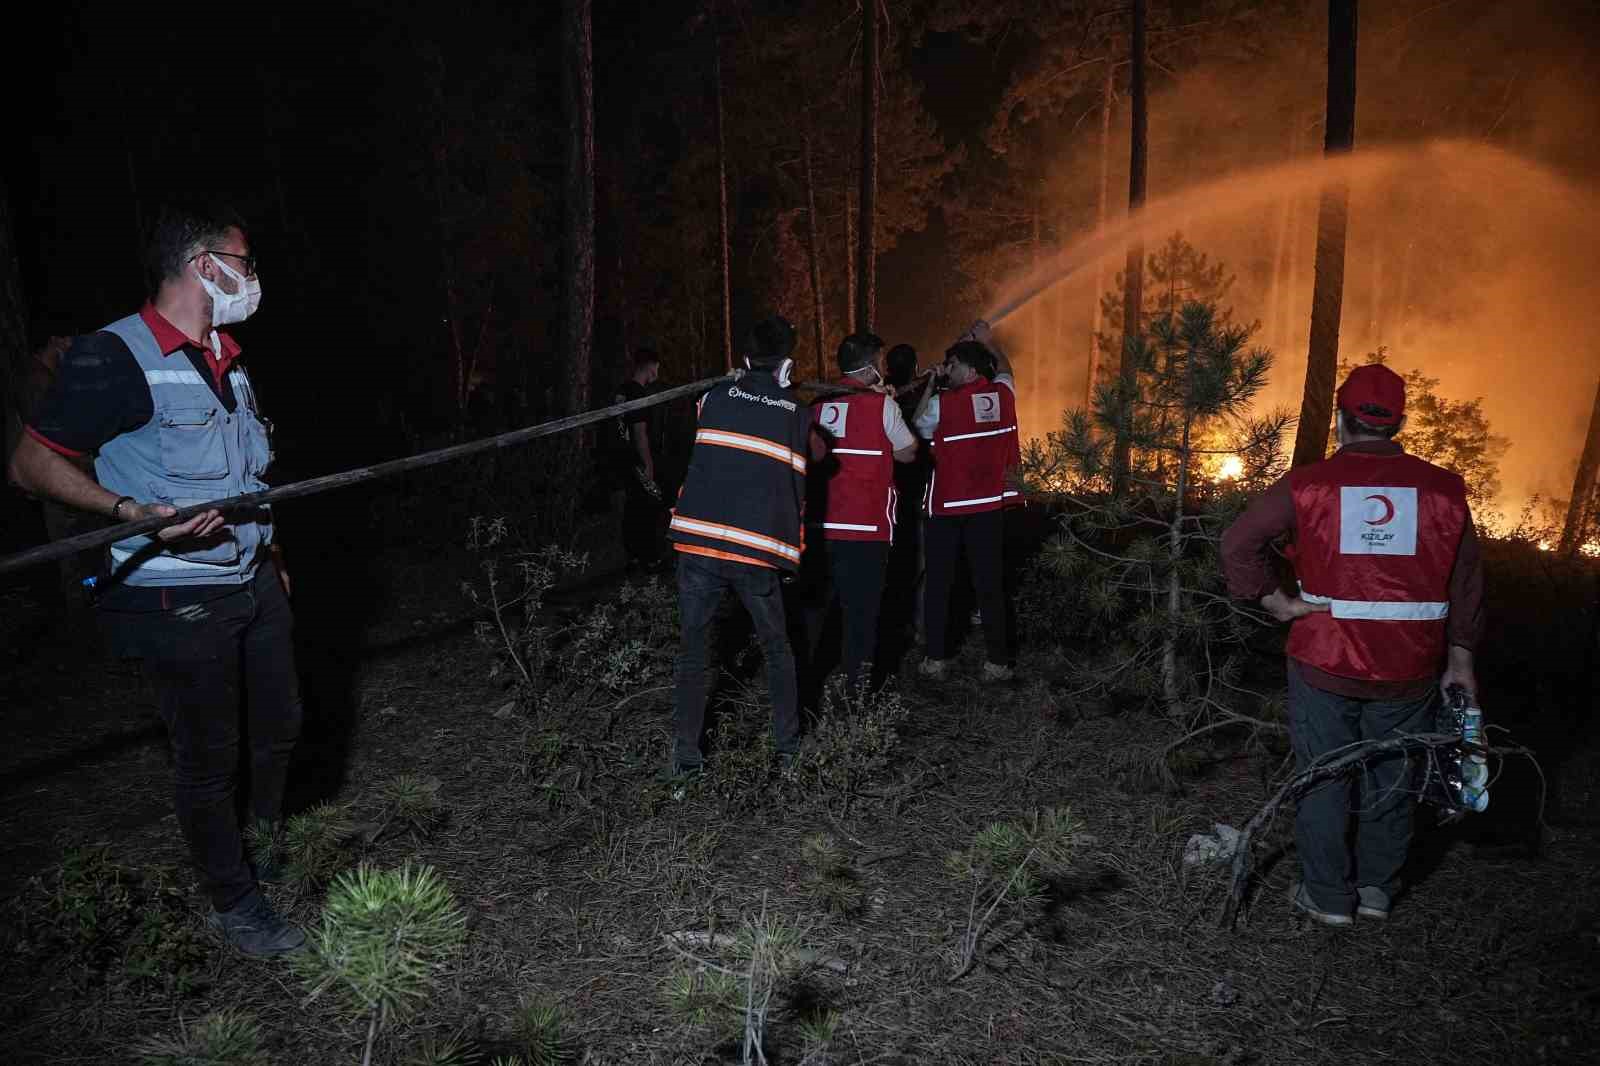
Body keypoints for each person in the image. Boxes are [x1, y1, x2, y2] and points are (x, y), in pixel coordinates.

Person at [6, 204, 305, 957]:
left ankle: (265, 850)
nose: (255, 278)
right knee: (209, 757)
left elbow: (247, 472)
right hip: (175, 595)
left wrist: (272, 557)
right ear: (206, 265)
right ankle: (235, 904)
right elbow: (30, 464)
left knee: (282, 727)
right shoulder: (116, 355)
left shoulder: (226, 356)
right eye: (248, 261)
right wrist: (131, 510)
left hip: (254, 581)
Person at [1220, 363, 1484, 926]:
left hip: (1324, 659)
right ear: (1399, 423)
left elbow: (1238, 542)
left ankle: (1327, 895)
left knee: (1325, 772)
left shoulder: (1308, 485)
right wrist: (1461, 658)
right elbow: (1467, 580)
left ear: (1341, 420)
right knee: (1392, 775)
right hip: (1410, 666)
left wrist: (1279, 603)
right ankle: (1376, 890)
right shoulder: (1444, 490)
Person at [666, 315, 811, 774]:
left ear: (745, 358)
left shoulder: (712, 398)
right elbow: (816, 453)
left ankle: (685, 761)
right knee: (777, 649)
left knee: (693, 652)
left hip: (699, 545)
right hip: (755, 550)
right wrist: (782, 393)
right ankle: (788, 753)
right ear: (786, 364)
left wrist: (738, 384)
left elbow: (718, 413)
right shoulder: (797, 414)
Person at [800, 332, 918, 700]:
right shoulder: (882, 406)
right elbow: (908, 453)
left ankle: (806, 684)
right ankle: (857, 694)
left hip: (819, 528)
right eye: (881, 362)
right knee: (860, 616)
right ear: (868, 368)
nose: (884, 368)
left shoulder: (818, 403)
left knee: (816, 612)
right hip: (865, 529)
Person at [911, 321, 1021, 682]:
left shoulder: (943, 404)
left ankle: (936, 659)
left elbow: (917, 425)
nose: (948, 369)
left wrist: (931, 383)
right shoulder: (1003, 395)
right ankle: (998, 662)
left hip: (946, 509)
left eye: (953, 365)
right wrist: (990, 343)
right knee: (989, 584)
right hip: (989, 508)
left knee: (941, 583)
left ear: (971, 370)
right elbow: (1005, 370)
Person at [609, 347, 664, 569]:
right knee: (650, 502)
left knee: (633, 507)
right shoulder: (638, 394)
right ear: (650, 365)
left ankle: (632, 556)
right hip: (635, 459)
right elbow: (639, 431)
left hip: (622, 458)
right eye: (658, 366)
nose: (658, 370)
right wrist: (647, 464)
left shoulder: (621, 391)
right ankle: (649, 558)